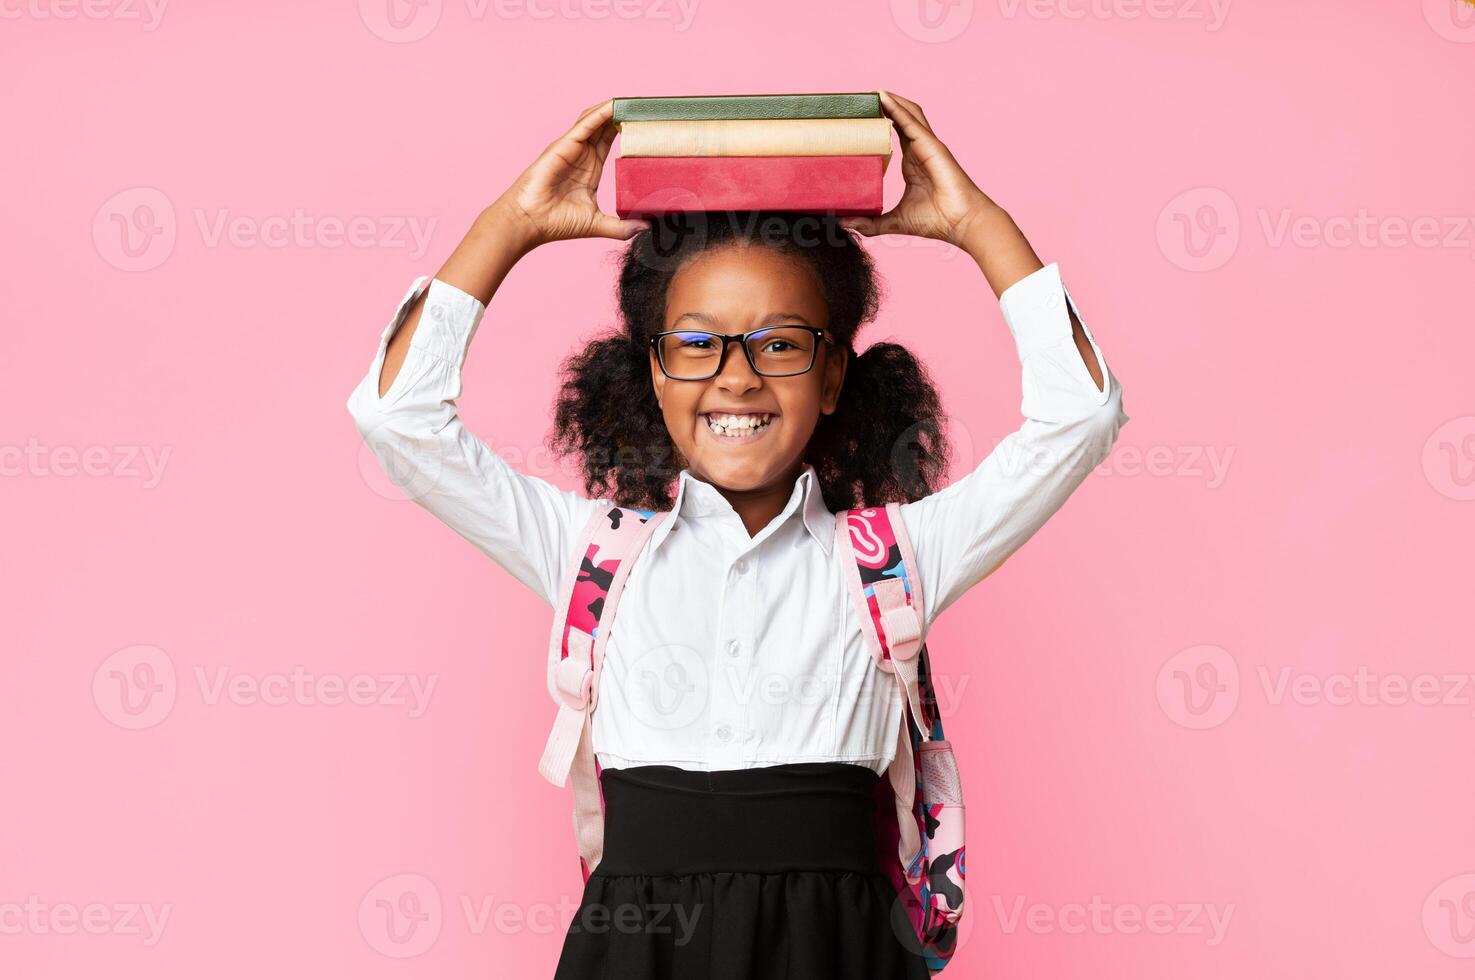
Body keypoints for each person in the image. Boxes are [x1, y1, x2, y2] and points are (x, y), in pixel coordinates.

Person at [347, 90, 1128, 979]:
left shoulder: (894, 560)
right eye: (696, 343)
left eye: (780, 344)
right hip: (635, 954)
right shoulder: (589, 554)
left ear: (833, 374)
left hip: (840, 954)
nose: (736, 377)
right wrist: (511, 226)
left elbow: (1080, 417)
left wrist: (975, 225)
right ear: (653, 371)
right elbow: (397, 420)